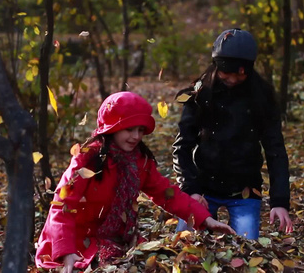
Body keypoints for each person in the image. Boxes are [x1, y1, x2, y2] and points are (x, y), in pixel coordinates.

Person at [35, 91, 235, 272]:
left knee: (160, 262)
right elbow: (62, 205)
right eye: (129, 129)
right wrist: (66, 251)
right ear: (112, 128)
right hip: (76, 242)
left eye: (141, 130)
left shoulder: (140, 161)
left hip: (119, 239)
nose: (136, 136)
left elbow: (167, 194)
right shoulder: (89, 157)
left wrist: (206, 219)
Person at [172, 28, 293, 240]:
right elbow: (182, 146)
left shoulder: (262, 96)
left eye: (239, 73)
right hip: (202, 188)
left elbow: (275, 150)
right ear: (216, 65)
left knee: (246, 250)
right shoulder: (199, 94)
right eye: (226, 72)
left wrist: (280, 202)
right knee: (185, 246)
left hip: (244, 189)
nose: (232, 78)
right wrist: (190, 189)